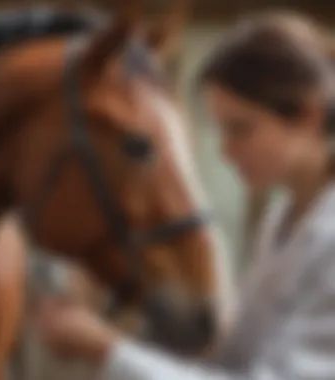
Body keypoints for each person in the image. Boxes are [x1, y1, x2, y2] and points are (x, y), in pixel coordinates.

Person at [35, 11, 335, 379]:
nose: (226, 152)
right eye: (221, 131)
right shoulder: (285, 217)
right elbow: (234, 359)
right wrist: (117, 334)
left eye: (241, 129)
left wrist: (107, 350)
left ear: (309, 116)